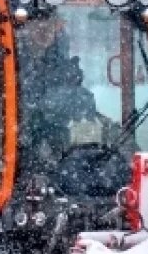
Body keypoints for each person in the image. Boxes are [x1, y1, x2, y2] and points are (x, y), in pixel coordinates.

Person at [15, 16, 99, 172]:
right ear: (27, 28)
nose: (43, 32)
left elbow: (80, 105)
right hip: (16, 142)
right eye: (37, 26)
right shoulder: (10, 58)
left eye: (49, 26)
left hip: (56, 144)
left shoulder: (66, 68)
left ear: (57, 29)